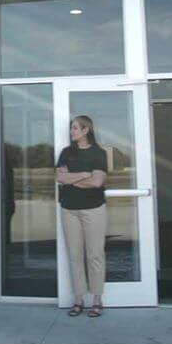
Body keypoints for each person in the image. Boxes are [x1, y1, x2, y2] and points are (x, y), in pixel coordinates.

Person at [56, 114, 108, 318]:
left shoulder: (99, 153)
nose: (72, 131)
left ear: (86, 130)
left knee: (95, 255)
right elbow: (60, 177)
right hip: (69, 209)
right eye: (71, 128)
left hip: (93, 208)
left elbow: (97, 183)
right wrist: (85, 174)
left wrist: (73, 179)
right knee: (75, 256)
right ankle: (78, 300)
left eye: (76, 128)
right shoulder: (66, 153)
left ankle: (97, 300)